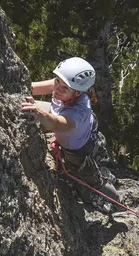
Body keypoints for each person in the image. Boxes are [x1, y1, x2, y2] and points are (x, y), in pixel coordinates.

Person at [20, 57, 120, 203]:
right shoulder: (67, 87)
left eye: (64, 87)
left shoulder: (78, 112)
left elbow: (58, 124)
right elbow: (33, 87)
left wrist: (39, 115)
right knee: (33, 106)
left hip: (76, 150)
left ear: (78, 93)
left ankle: (117, 201)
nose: (57, 89)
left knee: (93, 179)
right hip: (72, 123)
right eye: (57, 81)